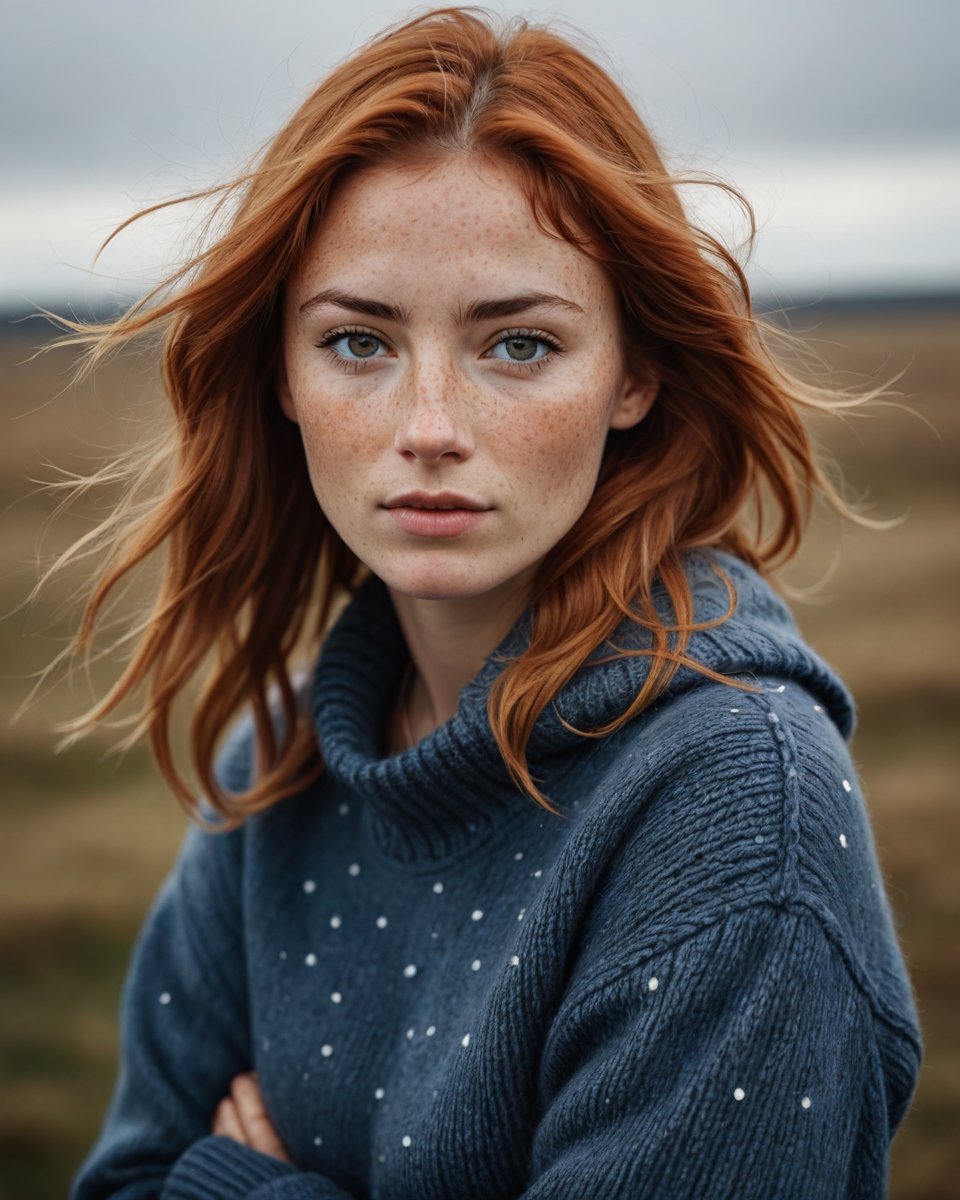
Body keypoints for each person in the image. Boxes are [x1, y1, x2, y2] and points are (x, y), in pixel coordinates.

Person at [62, 8, 920, 1198]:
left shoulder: (737, 809)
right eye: (358, 342)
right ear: (283, 379)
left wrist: (248, 1190)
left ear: (636, 374)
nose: (428, 431)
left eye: (517, 345)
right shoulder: (281, 769)